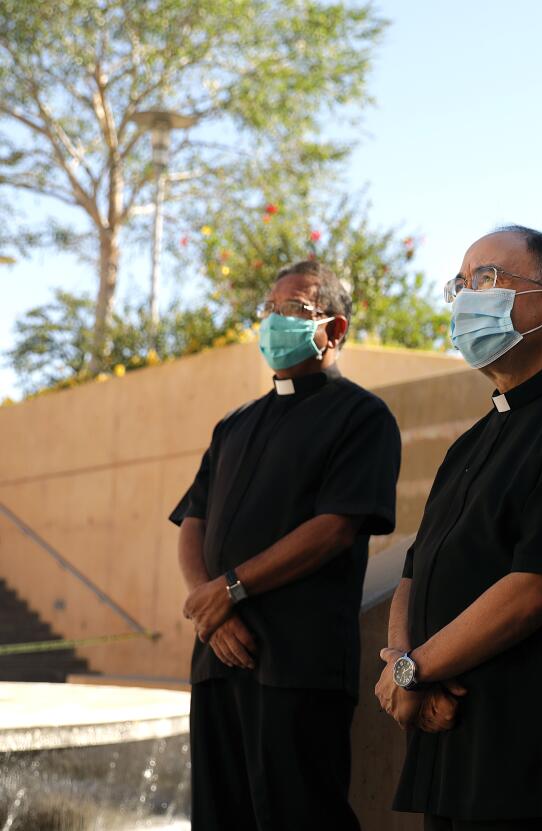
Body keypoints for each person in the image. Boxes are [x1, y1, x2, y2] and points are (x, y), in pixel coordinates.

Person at [378, 226, 542, 831]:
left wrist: (416, 671)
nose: (466, 297)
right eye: (461, 283)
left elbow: (538, 584)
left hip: (531, 758)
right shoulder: (474, 438)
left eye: (487, 280)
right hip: (444, 734)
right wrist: (406, 665)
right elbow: (415, 570)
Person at [171, 260, 401, 831]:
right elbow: (193, 520)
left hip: (299, 664)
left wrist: (232, 588)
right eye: (270, 310)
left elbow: (336, 527)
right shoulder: (234, 423)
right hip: (217, 659)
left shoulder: (362, 417)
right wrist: (211, 609)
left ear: (335, 328)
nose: (275, 321)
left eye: (293, 310)